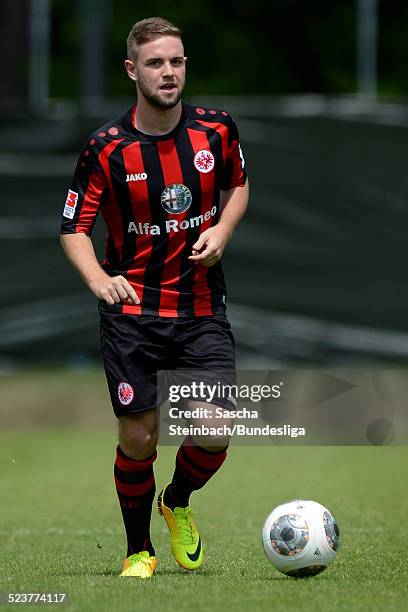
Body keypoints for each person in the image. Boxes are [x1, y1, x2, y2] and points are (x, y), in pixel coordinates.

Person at [60, 16, 249, 578]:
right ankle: (137, 550)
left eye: (177, 61)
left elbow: (238, 184)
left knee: (214, 428)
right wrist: (98, 279)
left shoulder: (216, 130)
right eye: (155, 63)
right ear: (131, 70)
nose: (169, 73)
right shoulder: (107, 148)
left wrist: (224, 230)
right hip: (132, 316)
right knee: (140, 437)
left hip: (199, 308)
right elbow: (73, 228)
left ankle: (178, 500)